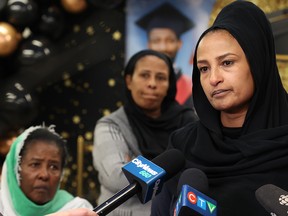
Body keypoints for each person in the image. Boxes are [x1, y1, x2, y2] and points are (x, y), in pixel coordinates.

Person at [151, 1, 288, 215]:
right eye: (204, 68)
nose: (213, 79)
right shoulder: (182, 146)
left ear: (258, 61)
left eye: (227, 63)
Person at [92, 49, 198, 216]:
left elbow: (201, 174)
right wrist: (174, 169)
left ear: (170, 83)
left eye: (161, 77)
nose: (152, 84)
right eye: (144, 75)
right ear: (129, 80)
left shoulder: (189, 121)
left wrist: (137, 166)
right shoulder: (110, 125)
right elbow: (117, 178)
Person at [0, 125, 93, 216]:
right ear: (15, 169)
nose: (44, 175)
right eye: (35, 164)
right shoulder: (2, 206)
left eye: (53, 167)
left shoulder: (78, 210)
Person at [136, 2, 195, 108]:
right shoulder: (137, 86)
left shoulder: (192, 89)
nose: (163, 47)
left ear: (179, 44)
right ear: (148, 44)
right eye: (156, 41)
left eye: (170, 40)